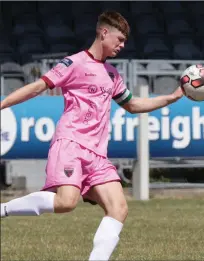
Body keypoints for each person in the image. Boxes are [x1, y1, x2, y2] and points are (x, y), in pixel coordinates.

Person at [0, 11, 183, 261]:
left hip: (97, 155)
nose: (122, 45)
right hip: (71, 144)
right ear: (103, 32)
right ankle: (4, 210)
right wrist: (2, 104)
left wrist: (171, 98)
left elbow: (133, 105)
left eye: (124, 42)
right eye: (119, 39)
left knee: (118, 208)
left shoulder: (112, 74)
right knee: (66, 203)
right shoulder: (73, 63)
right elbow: (38, 87)